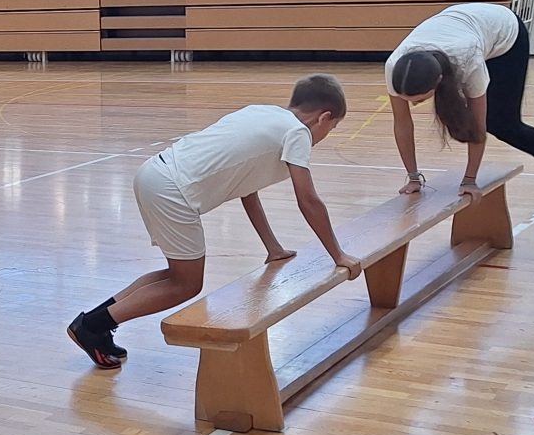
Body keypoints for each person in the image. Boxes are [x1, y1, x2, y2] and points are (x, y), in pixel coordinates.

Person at [67, 74, 360, 369]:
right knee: (186, 285)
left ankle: (96, 324)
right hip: (172, 191)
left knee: (175, 276)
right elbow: (308, 200)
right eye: (333, 127)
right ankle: (91, 327)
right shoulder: (298, 133)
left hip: (153, 174)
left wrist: (273, 247)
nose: (328, 134)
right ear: (323, 117)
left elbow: (248, 191)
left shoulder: (263, 113)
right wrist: (338, 255)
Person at [386, 1, 534, 222]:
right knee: (500, 123)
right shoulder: (394, 66)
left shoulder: (467, 61)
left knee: (505, 125)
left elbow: (478, 127)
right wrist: (414, 178)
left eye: (420, 99)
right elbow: (403, 125)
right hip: (468, 30)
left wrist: (469, 180)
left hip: (505, 35)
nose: (413, 104)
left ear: (438, 81)